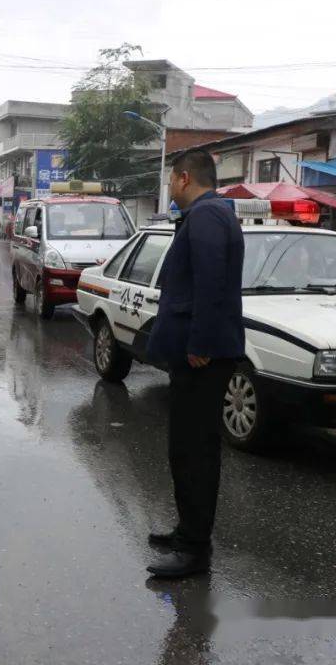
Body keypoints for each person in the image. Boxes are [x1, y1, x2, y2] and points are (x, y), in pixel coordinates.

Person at [145, 149, 245, 579]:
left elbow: (211, 283)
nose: (169, 187)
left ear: (184, 178)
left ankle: (194, 548)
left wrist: (200, 341)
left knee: (194, 451)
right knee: (185, 447)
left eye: (171, 179)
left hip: (201, 353)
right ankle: (188, 529)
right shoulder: (210, 214)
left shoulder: (206, 216)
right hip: (195, 348)